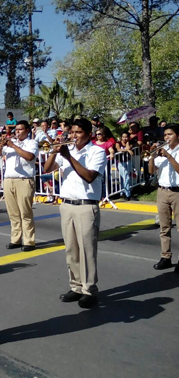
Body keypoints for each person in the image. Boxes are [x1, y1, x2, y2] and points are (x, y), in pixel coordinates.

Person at [43, 118, 106, 309]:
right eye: (71, 133)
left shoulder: (97, 151)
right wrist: (55, 152)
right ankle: (76, 286)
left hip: (86, 205)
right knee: (71, 249)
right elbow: (46, 169)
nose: (73, 136)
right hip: (67, 204)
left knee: (87, 250)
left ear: (88, 133)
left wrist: (69, 157)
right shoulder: (66, 150)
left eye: (78, 133)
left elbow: (89, 176)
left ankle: (89, 290)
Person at [0, 120, 38, 251]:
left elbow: (29, 156)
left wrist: (13, 146)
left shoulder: (31, 143)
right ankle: (16, 239)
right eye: (16, 130)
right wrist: (1, 144)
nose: (17, 132)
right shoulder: (9, 144)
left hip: (24, 180)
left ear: (27, 130)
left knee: (25, 212)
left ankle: (29, 241)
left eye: (20, 129)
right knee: (13, 213)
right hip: (9, 179)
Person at [148, 124, 179, 272]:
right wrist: (152, 157)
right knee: (164, 227)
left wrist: (169, 156)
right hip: (162, 190)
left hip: (177, 192)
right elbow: (151, 170)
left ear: (177, 136)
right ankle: (165, 257)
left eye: (170, 134)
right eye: (165, 135)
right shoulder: (162, 152)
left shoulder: (174, 152)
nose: (167, 137)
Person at [115, 131, 135, 201]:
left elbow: (129, 148)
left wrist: (127, 144)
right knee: (126, 177)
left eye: (126, 137)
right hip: (121, 162)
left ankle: (123, 192)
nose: (124, 138)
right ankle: (128, 194)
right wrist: (128, 150)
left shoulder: (129, 143)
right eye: (123, 137)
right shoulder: (118, 143)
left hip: (128, 161)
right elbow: (118, 149)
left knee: (126, 177)